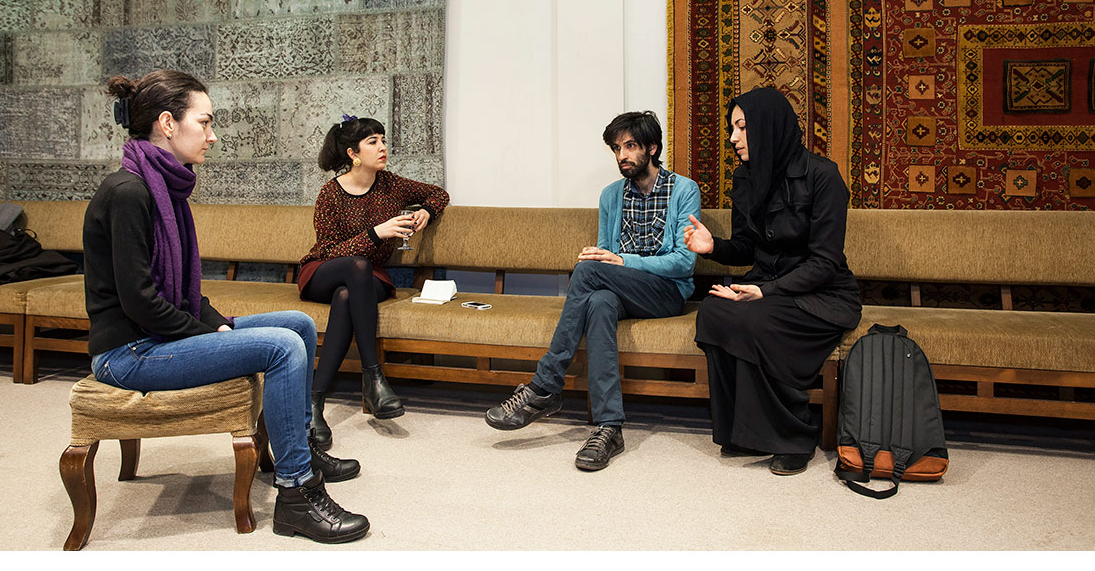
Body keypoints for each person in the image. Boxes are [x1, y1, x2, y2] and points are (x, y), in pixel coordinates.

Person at [83, 70, 369, 545]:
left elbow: (183, 292)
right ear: (168, 124)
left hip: (155, 336)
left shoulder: (164, 187)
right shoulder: (128, 193)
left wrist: (214, 323)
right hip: (129, 353)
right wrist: (210, 333)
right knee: (281, 347)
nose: (212, 136)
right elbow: (140, 302)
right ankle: (297, 494)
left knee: (297, 324)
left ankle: (298, 450)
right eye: (205, 122)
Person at [485, 111, 701, 471]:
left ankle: (544, 385)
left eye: (630, 146)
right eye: (616, 148)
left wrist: (622, 261)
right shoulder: (611, 196)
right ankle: (609, 428)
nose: (622, 156)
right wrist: (609, 262)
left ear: (652, 148)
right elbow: (604, 257)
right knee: (599, 301)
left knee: (587, 270)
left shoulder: (684, 190)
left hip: (666, 293)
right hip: (621, 290)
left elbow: (683, 262)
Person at [683, 86, 861, 476]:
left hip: (822, 295)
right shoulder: (746, 177)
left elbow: (825, 263)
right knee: (714, 312)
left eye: (742, 127)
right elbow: (748, 247)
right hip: (767, 287)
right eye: (732, 128)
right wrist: (713, 247)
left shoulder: (822, 176)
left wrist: (766, 291)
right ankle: (743, 433)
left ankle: (794, 437)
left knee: (755, 319)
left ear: (769, 126)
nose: (733, 138)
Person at [298, 115, 449, 445]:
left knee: (347, 296)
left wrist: (427, 210)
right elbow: (328, 251)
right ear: (353, 154)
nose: (382, 147)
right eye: (373, 142)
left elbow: (438, 193)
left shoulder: (391, 184)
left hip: (368, 278)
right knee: (356, 267)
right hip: (323, 271)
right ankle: (374, 377)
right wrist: (376, 233)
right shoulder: (330, 194)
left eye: (383, 140)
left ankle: (313, 402)